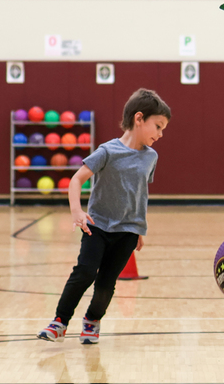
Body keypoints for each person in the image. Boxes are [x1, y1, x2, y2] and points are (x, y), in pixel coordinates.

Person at [38, 88, 170, 345]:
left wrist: (141, 228)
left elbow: (141, 194)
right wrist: (77, 211)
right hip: (97, 226)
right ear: (139, 118)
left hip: (128, 232)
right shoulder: (107, 151)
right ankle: (60, 321)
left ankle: (92, 321)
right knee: (84, 272)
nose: (161, 134)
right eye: (158, 126)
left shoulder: (151, 157)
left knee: (107, 283)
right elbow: (76, 180)